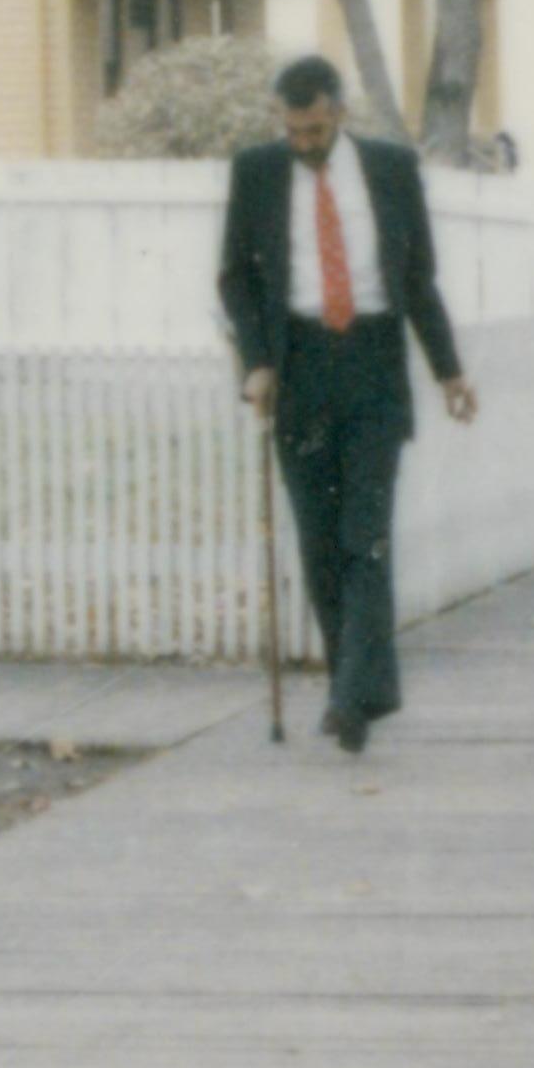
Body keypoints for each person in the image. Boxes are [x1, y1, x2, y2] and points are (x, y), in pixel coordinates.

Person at [217, 56, 476, 754]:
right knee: (320, 542)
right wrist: (258, 361)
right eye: (291, 130)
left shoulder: (391, 169)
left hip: (371, 365)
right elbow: (236, 279)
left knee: (366, 534)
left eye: (314, 129)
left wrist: (449, 370)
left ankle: (350, 696)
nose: (302, 143)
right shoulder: (256, 172)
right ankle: (358, 688)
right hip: (298, 367)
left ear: (338, 111)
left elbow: (418, 279)